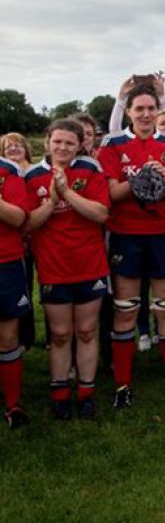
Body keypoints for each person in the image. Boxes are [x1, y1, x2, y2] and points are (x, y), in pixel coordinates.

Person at [98, 84, 165, 407]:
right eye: (139, 109)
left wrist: (161, 179)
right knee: (126, 311)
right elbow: (111, 193)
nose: (146, 114)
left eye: (151, 108)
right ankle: (123, 387)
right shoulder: (112, 144)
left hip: (164, 234)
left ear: (158, 110)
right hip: (126, 233)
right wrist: (138, 178)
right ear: (129, 112)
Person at [23, 119, 110, 420]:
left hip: (89, 263)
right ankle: (59, 394)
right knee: (60, 334)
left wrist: (68, 193)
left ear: (79, 145)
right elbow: (27, 223)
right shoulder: (31, 175)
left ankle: (86, 393)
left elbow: (101, 213)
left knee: (86, 331)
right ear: (47, 141)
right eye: (57, 141)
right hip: (53, 266)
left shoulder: (90, 169)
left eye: (69, 143)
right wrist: (51, 199)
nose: (62, 147)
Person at [0, 155, 30, 428]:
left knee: (8, 337)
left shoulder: (9, 171)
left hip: (5, 263)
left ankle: (13, 404)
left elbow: (19, 217)